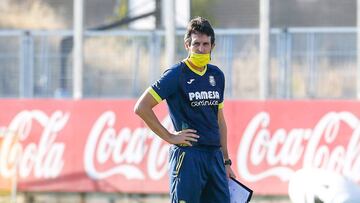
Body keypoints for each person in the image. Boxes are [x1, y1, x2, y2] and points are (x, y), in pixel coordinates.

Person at [134, 16, 235, 203]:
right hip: (189, 157)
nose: (201, 49)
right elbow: (141, 107)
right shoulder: (176, 74)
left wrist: (226, 161)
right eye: (196, 44)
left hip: (214, 157)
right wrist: (171, 137)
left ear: (213, 46)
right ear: (187, 45)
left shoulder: (217, 75)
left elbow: (219, 120)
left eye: (206, 44)